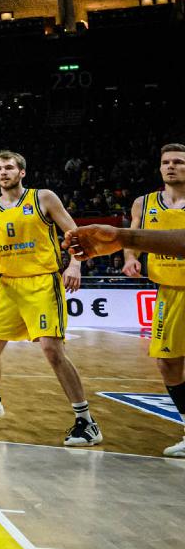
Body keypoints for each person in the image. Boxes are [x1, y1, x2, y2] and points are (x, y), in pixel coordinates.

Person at [0, 150, 99, 447]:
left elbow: (75, 234)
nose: (3, 172)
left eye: (9, 167)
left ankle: (87, 422)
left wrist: (74, 264)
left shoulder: (43, 198)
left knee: (52, 351)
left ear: (22, 172)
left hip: (42, 282)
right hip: (9, 286)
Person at [75, 143, 185, 458]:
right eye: (166, 162)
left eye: (178, 162)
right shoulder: (144, 203)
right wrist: (130, 258)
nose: (171, 167)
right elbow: (131, 235)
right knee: (167, 364)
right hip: (167, 289)